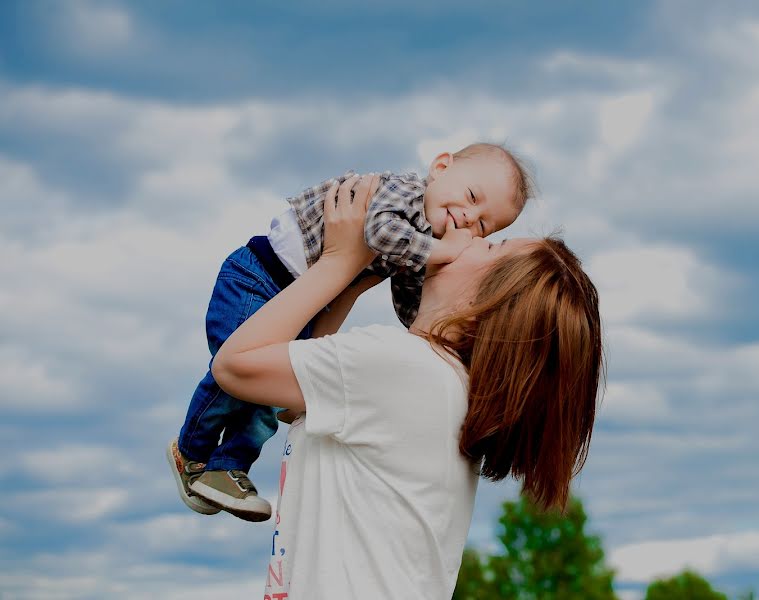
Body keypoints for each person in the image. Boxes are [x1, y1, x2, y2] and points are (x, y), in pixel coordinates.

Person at [211, 175, 603, 599]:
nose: (468, 233)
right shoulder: (437, 382)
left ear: (485, 304)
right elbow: (292, 402)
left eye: (490, 244)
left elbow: (235, 366)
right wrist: (354, 279)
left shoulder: (406, 366)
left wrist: (338, 261)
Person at [167, 143, 533, 522]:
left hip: (295, 297)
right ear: (441, 167)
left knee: (263, 402)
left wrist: (429, 329)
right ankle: (192, 452)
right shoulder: (405, 193)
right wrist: (441, 251)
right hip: (259, 274)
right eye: (471, 197)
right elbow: (380, 233)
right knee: (236, 385)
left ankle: (227, 467)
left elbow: (410, 299)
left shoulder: (421, 245)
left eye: (483, 226)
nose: (467, 218)